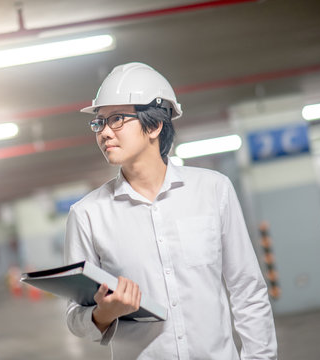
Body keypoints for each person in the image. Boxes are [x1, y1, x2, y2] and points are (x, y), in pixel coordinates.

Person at [64, 62, 277, 359]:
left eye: (116, 119)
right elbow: (75, 317)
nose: (104, 133)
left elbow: (247, 290)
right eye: (99, 122)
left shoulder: (213, 190)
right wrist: (104, 312)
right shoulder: (87, 215)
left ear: (154, 124)